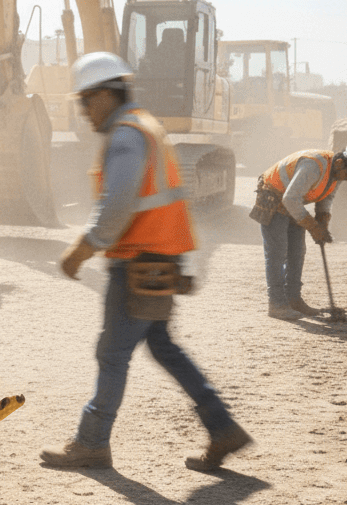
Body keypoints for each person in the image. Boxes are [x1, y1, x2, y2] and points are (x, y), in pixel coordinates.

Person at [40, 52, 251, 473]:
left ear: (106, 94)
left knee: (112, 352)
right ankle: (222, 426)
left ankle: (92, 442)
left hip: (138, 263)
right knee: (163, 347)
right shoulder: (144, 126)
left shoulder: (125, 135)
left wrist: (81, 249)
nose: (83, 112)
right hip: (160, 259)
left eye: (86, 101)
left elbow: (117, 204)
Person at [253, 144, 347, 320]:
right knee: (277, 252)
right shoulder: (313, 166)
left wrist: (322, 220)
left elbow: (328, 194)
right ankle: (277, 304)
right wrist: (312, 227)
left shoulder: (337, 172)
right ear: (341, 162)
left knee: (297, 251)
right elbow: (290, 198)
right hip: (272, 195)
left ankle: (293, 299)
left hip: (292, 200)